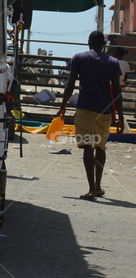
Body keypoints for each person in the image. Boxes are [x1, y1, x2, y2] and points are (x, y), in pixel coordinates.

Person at [57, 31, 124, 200]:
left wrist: (63, 106)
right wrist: (121, 117)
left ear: (88, 42)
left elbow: (70, 84)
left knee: (88, 147)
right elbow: (117, 92)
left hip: (85, 108)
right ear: (104, 44)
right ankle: (98, 187)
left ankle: (92, 188)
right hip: (104, 111)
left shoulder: (78, 58)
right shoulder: (113, 62)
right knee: (100, 147)